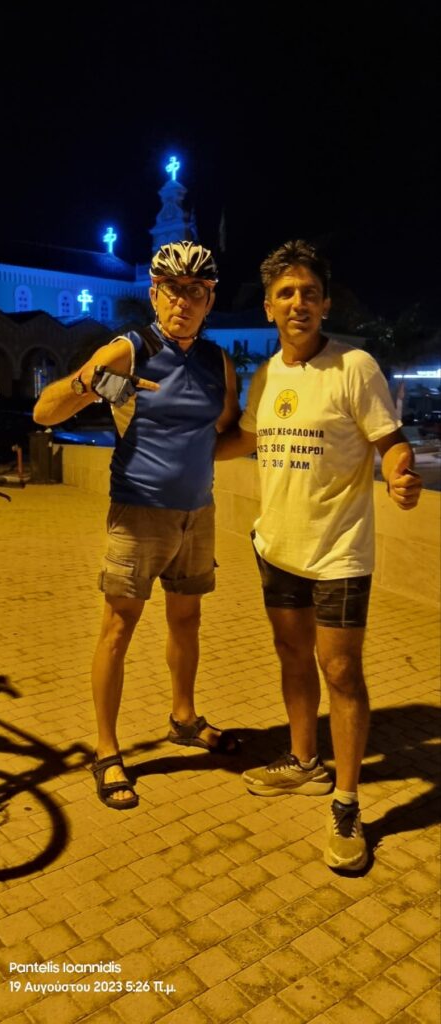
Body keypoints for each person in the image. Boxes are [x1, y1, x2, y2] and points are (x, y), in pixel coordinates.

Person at [216, 239, 422, 871]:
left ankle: (347, 802)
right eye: (285, 293)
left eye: (309, 292)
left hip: (339, 553)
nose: (298, 302)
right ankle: (305, 761)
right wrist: (176, 449)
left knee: (341, 672)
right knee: (292, 657)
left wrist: (401, 471)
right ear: (270, 307)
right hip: (276, 546)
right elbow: (244, 440)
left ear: (325, 302)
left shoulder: (354, 367)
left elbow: (391, 441)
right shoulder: (266, 376)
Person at [33, 241, 240, 809]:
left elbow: (223, 435)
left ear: (209, 300)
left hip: (197, 512)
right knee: (118, 629)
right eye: (172, 289)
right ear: (154, 294)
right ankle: (106, 750)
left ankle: (184, 718)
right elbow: (44, 412)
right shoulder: (129, 349)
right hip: (138, 510)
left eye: (195, 291)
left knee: (187, 621)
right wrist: (90, 383)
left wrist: (291, 434)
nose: (182, 301)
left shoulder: (217, 362)